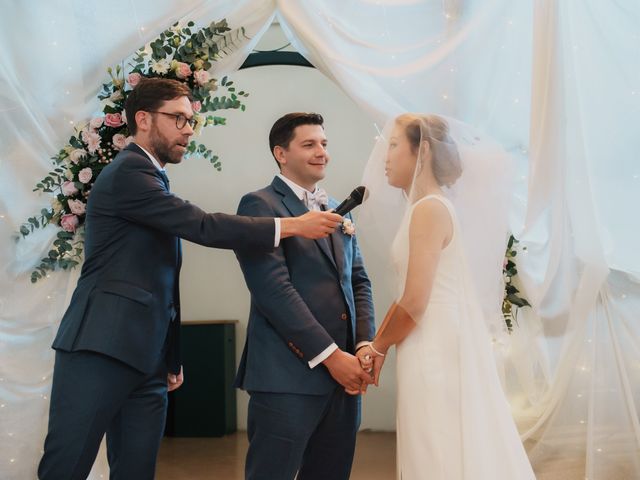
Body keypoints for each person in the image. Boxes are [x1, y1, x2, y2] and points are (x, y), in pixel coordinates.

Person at [38, 79, 341, 480]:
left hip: (146, 359)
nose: (188, 129)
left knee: (135, 471)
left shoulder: (153, 177)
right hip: (100, 346)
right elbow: (201, 225)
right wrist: (292, 225)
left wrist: (170, 354)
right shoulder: (128, 172)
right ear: (143, 119)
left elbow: (160, 278)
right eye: (178, 118)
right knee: (68, 465)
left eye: (191, 120)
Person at [357, 113, 536, 479]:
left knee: (436, 445)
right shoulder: (426, 207)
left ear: (421, 150)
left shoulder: (429, 210)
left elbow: (415, 301)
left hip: (435, 347)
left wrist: (377, 347)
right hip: (431, 340)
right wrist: (381, 344)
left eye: (393, 146)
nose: (385, 157)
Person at [234, 112, 375, 480]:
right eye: (309, 144)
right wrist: (331, 357)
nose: (321, 152)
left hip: (344, 377)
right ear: (281, 153)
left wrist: (362, 345)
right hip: (286, 379)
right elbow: (274, 291)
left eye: (324, 144)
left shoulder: (334, 210)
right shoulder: (260, 206)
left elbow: (358, 281)